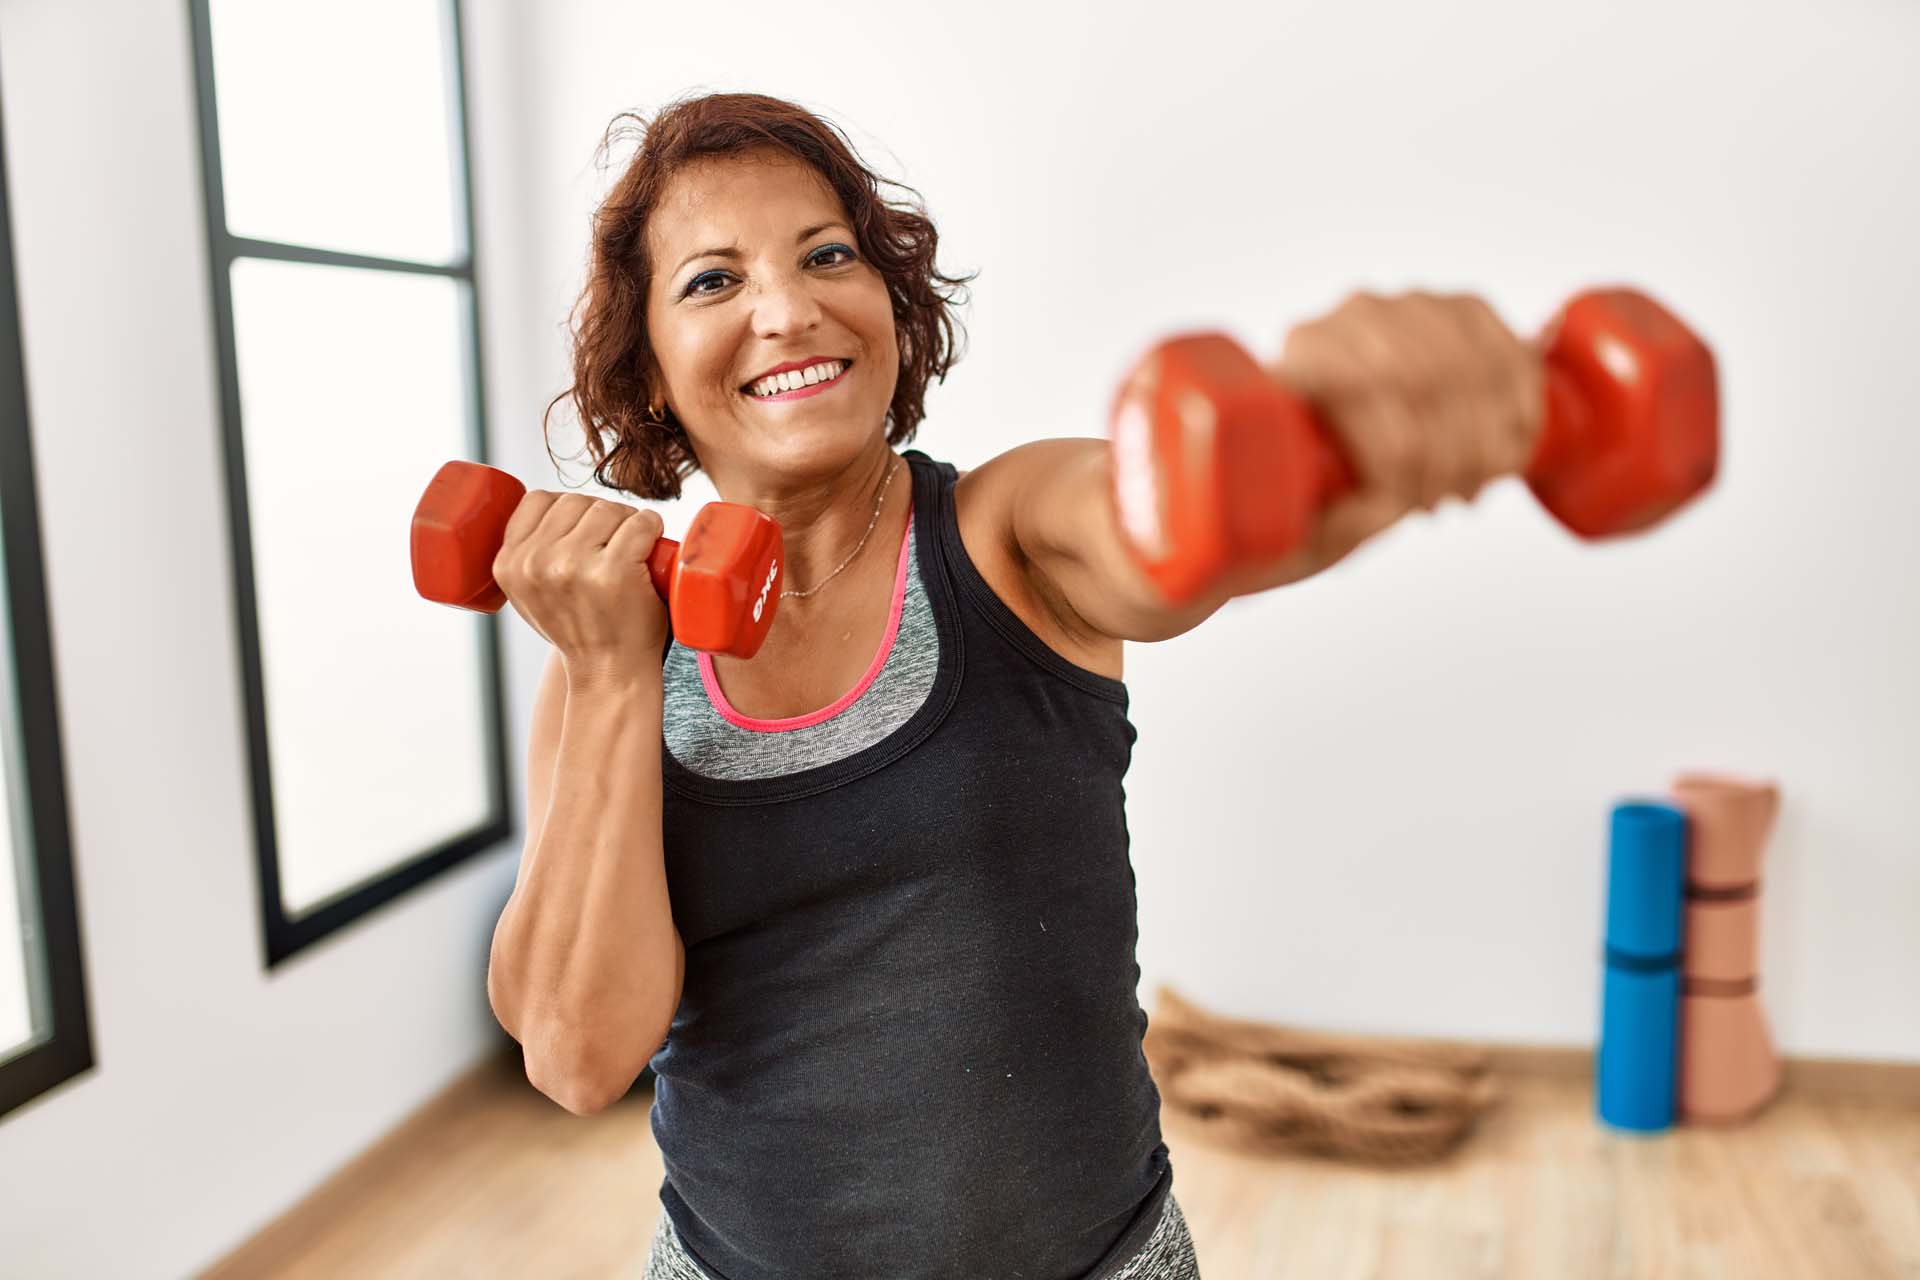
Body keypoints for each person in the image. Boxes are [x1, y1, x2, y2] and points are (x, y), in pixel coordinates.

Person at [483, 91, 1542, 1280]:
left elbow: (1177, 526)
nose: (788, 309)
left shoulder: (1005, 532)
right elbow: (578, 1057)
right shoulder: (611, 656)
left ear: (891, 302)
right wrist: (616, 675)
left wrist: (1339, 438)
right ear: (653, 372)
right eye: (713, 281)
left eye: (827, 255)